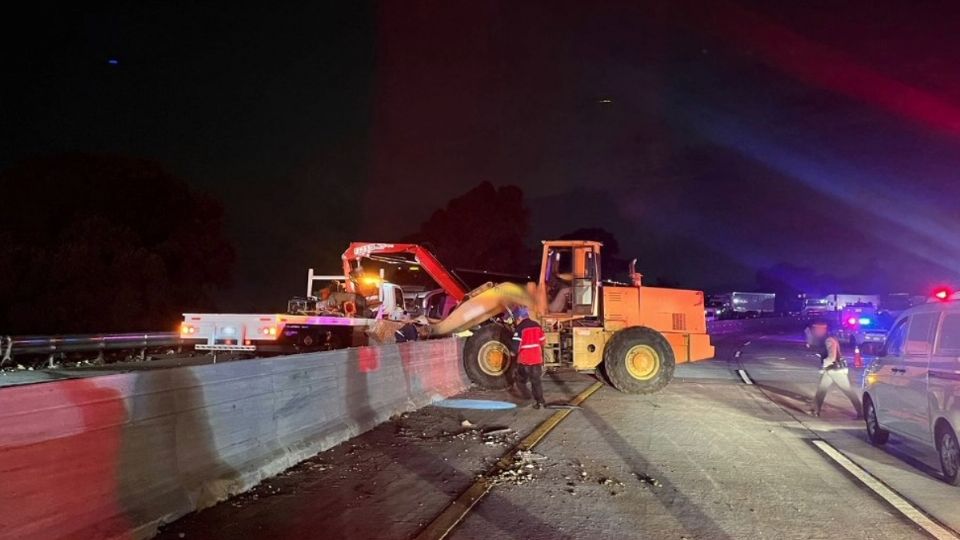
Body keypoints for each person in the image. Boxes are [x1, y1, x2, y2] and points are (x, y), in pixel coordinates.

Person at [806, 320, 863, 418]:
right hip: (830, 370)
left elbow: (832, 357)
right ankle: (815, 411)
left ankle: (861, 412)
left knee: (848, 391)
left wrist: (823, 366)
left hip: (836, 370)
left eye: (817, 329)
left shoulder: (829, 340)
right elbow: (811, 342)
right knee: (821, 390)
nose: (815, 331)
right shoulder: (824, 339)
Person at [510, 306, 546, 408]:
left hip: (524, 360)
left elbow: (516, 345)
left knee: (520, 381)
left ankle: (528, 398)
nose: (516, 321)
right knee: (536, 382)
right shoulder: (537, 325)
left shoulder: (520, 328)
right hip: (536, 360)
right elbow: (543, 341)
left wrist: (512, 353)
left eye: (517, 319)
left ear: (520, 317)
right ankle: (540, 401)